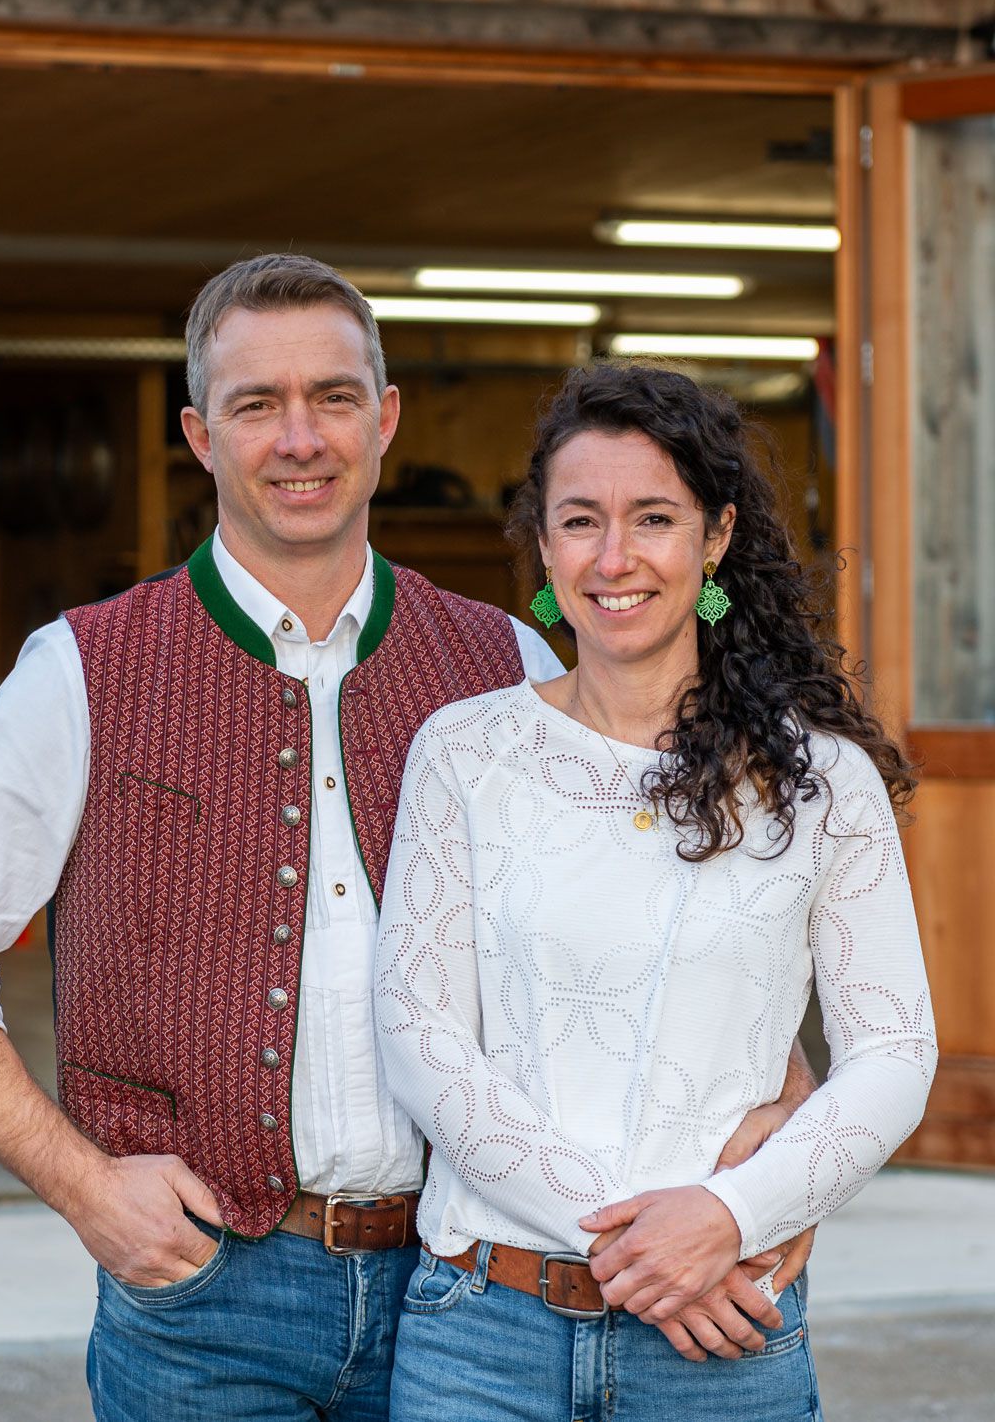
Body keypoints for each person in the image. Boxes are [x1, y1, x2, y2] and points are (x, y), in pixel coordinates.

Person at [0, 264, 814, 1422]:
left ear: (386, 417)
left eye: (334, 397)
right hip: (208, 1299)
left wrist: (783, 1097)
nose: (299, 438)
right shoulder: (84, 671)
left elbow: (664, 927)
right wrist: (84, 1186)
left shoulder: (508, 663)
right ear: (202, 436)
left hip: (466, 1292)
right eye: (257, 404)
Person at [375, 361, 937, 1422]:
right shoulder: (465, 754)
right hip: (486, 1330)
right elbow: (419, 1034)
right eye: (580, 520)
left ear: (715, 538)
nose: (615, 557)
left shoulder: (818, 782)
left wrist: (733, 1213)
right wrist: (651, 1243)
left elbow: (896, 1051)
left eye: (654, 518)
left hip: (724, 1334)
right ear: (543, 545)